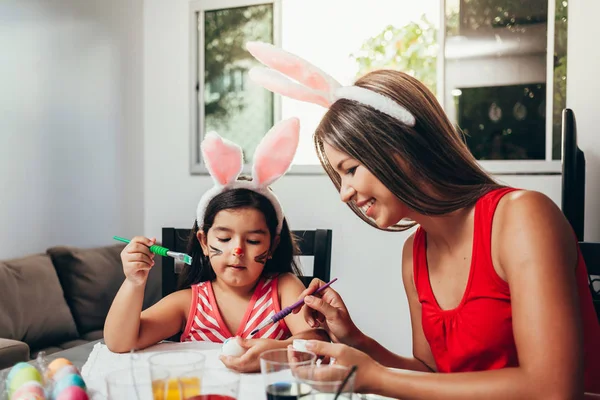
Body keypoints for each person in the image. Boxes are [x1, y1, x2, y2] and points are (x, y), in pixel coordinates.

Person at [246, 41, 600, 398]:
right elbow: (433, 376)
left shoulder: (522, 218)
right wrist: (355, 339)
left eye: (350, 170)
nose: (345, 193)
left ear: (397, 146)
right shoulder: (413, 253)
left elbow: (554, 389)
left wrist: (374, 377)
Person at [104, 118, 328, 372]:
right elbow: (120, 342)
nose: (237, 250)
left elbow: (318, 340)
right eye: (223, 238)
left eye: (253, 240)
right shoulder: (189, 304)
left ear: (273, 245)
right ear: (203, 241)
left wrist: (275, 350)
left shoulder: (282, 289)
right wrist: (134, 282)